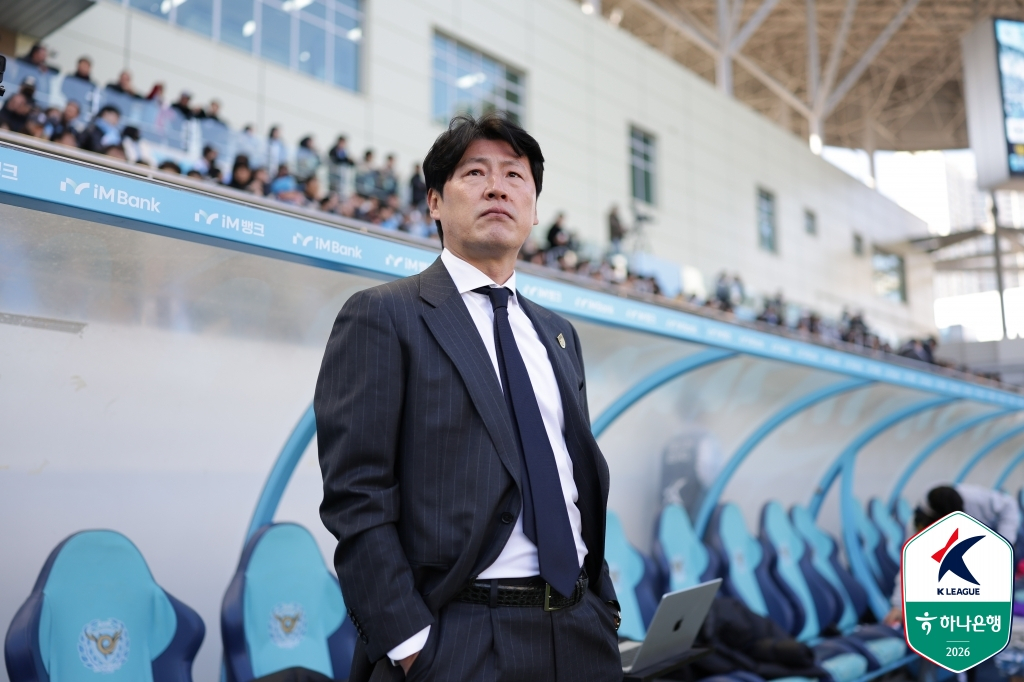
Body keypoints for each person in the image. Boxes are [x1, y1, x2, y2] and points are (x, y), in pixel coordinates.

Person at [316, 113, 622, 682]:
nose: (498, 187)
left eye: (515, 175)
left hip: (582, 630)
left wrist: (603, 605)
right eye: (475, 172)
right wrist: (411, 645)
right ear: (434, 202)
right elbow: (356, 496)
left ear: (534, 208)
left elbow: (572, 478)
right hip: (462, 638)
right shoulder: (385, 315)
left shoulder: (558, 334)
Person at [885, 484, 1021, 625]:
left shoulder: (975, 498)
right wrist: (899, 605)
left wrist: (1004, 542)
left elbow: (1009, 505)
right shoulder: (917, 525)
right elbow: (911, 565)